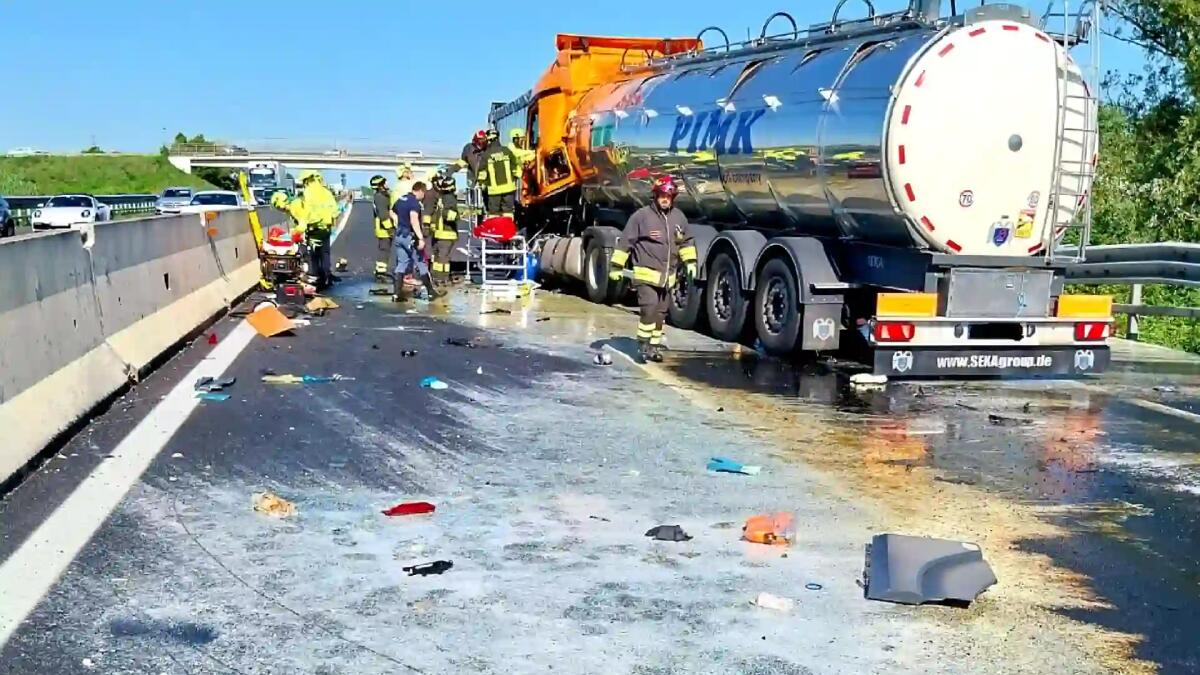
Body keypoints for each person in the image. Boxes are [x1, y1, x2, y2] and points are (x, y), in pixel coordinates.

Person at [609, 176, 697, 363]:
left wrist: (690, 262)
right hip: (646, 276)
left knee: (660, 314)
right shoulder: (641, 217)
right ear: (655, 196)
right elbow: (626, 242)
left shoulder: (679, 217)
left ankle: (653, 347)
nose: (665, 199)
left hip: (667, 279)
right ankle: (643, 344)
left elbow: (686, 242)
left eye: (669, 196)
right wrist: (616, 266)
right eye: (662, 196)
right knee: (649, 309)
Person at [390, 181, 444, 302]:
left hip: (399, 235)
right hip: (410, 237)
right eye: (424, 193)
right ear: (420, 191)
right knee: (421, 263)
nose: (424, 196)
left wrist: (398, 223)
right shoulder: (414, 203)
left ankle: (396, 294)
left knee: (401, 263)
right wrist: (420, 238)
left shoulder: (402, 199)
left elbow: (392, 212)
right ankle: (431, 293)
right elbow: (414, 220)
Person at [477, 133, 521, 220]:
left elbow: (482, 173)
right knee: (508, 211)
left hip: (494, 191)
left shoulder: (486, 155)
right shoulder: (507, 151)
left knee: (493, 213)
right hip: (509, 189)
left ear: (489, 140)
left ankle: (495, 227)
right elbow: (515, 166)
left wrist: (481, 183)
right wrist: (516, 176)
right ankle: (507, 227)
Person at [428, 173, 460, 286]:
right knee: (444, 258)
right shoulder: (450, 198)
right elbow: (448, 215)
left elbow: (435, 214)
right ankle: (443, 278)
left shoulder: (441, 197)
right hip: (447, 233)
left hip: (439, 232)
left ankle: (436, 276)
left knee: (438, 257)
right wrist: (458, 216)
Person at [370, 175, 394, 281]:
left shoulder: (381, 196)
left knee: (385, 249)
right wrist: (390, 229)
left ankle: (381, 271)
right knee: (384, 250)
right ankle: (380, 272)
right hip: (383, 227)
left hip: (382, 226)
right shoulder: (380, 197)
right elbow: (383, 215)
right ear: (380, 185)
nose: (387, 184)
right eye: (384, 183)